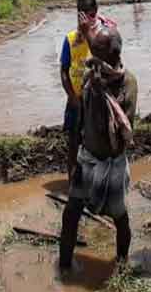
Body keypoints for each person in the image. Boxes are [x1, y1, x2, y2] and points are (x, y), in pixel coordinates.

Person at [59, 21, 138, 270]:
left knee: (119, 216)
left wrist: (101, 91)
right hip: (88, 157)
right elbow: (82, 116)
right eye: (93, 53)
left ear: (114, 55)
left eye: (99, 54)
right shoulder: (89, 76)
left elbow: (119, 128)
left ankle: (122, 263)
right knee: (71, 212)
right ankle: (64, 265)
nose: (93, 59)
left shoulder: (128, 83)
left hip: (112, 161)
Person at [60, 0, 115, 180]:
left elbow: (109, 60)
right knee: (74, 141)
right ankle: (73, 182)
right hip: (77, 98)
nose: (86, 19)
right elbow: (64, 71)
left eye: (90, 15)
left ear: (96, 12)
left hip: (99, 99)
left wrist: (88, 32)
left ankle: (98, 182)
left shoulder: (105, 35)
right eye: (81, 14)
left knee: (99, 141)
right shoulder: (70, 39)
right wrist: (72, 97)